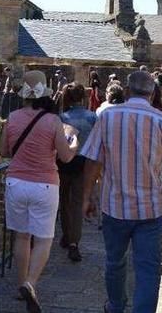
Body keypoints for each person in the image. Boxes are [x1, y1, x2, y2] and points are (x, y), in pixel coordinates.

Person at [81, 71, 162, 313]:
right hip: (150, 208)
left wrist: (87, 197)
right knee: (148, 269)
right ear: (152, 94)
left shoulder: (107, 117)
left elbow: (92, 162)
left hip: (114, 207)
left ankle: (116, 306)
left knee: (115, 261)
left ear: (127, 91)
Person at [0, 70, 77, 313]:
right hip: (45, 184)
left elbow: (4, 151)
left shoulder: (12, 117)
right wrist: (74, 141)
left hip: (16, 183)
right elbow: (65, 156)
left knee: (22, 237)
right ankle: (31, 283)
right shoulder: (53, 121)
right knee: (43, 239)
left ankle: (21, 284)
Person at [57, 83, 98, 262]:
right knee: (77, 203)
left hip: (64, 161)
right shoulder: (92, 117)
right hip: (84, 163)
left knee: (64, 201)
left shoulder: (61, 117)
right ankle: (74, 242)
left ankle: (67, 235)